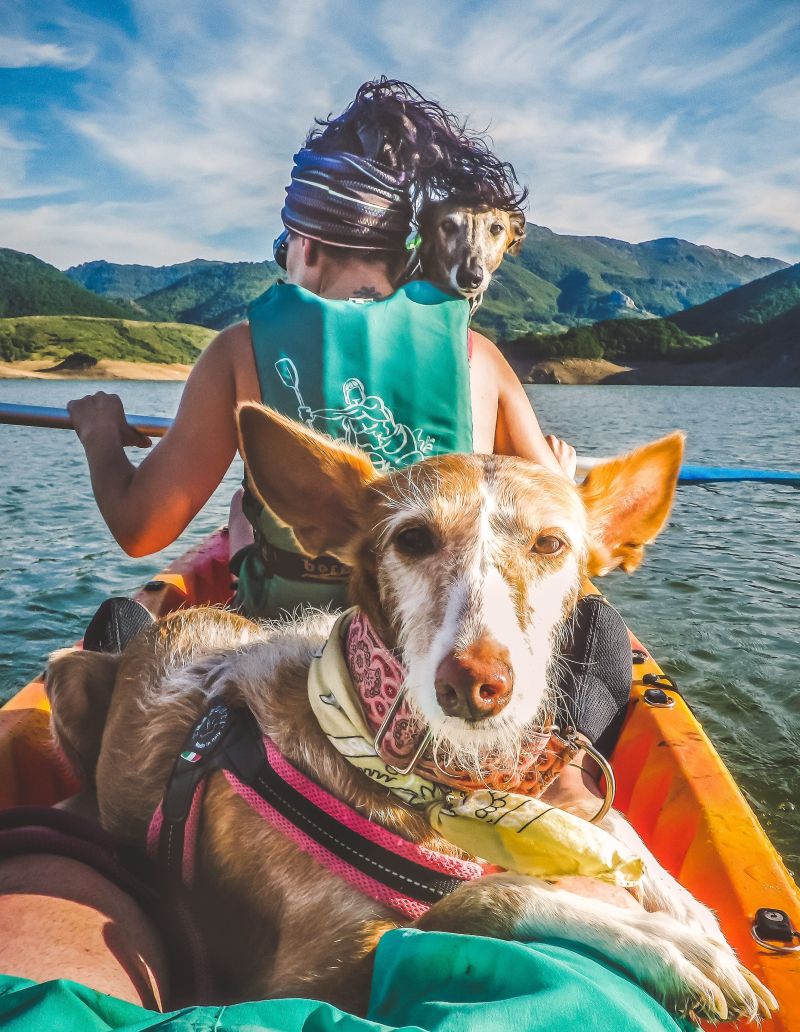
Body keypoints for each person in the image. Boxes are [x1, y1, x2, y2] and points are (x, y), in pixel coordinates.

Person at [66, 79, 576, 620]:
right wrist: (559, 476)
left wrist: (99, 434)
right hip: (424, 646)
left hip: (286, 641)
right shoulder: (478, 358)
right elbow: (565, 519)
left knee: (230, 531)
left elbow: (140, 529)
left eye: (285, 244)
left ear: (306, 245)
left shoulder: (239, 351)